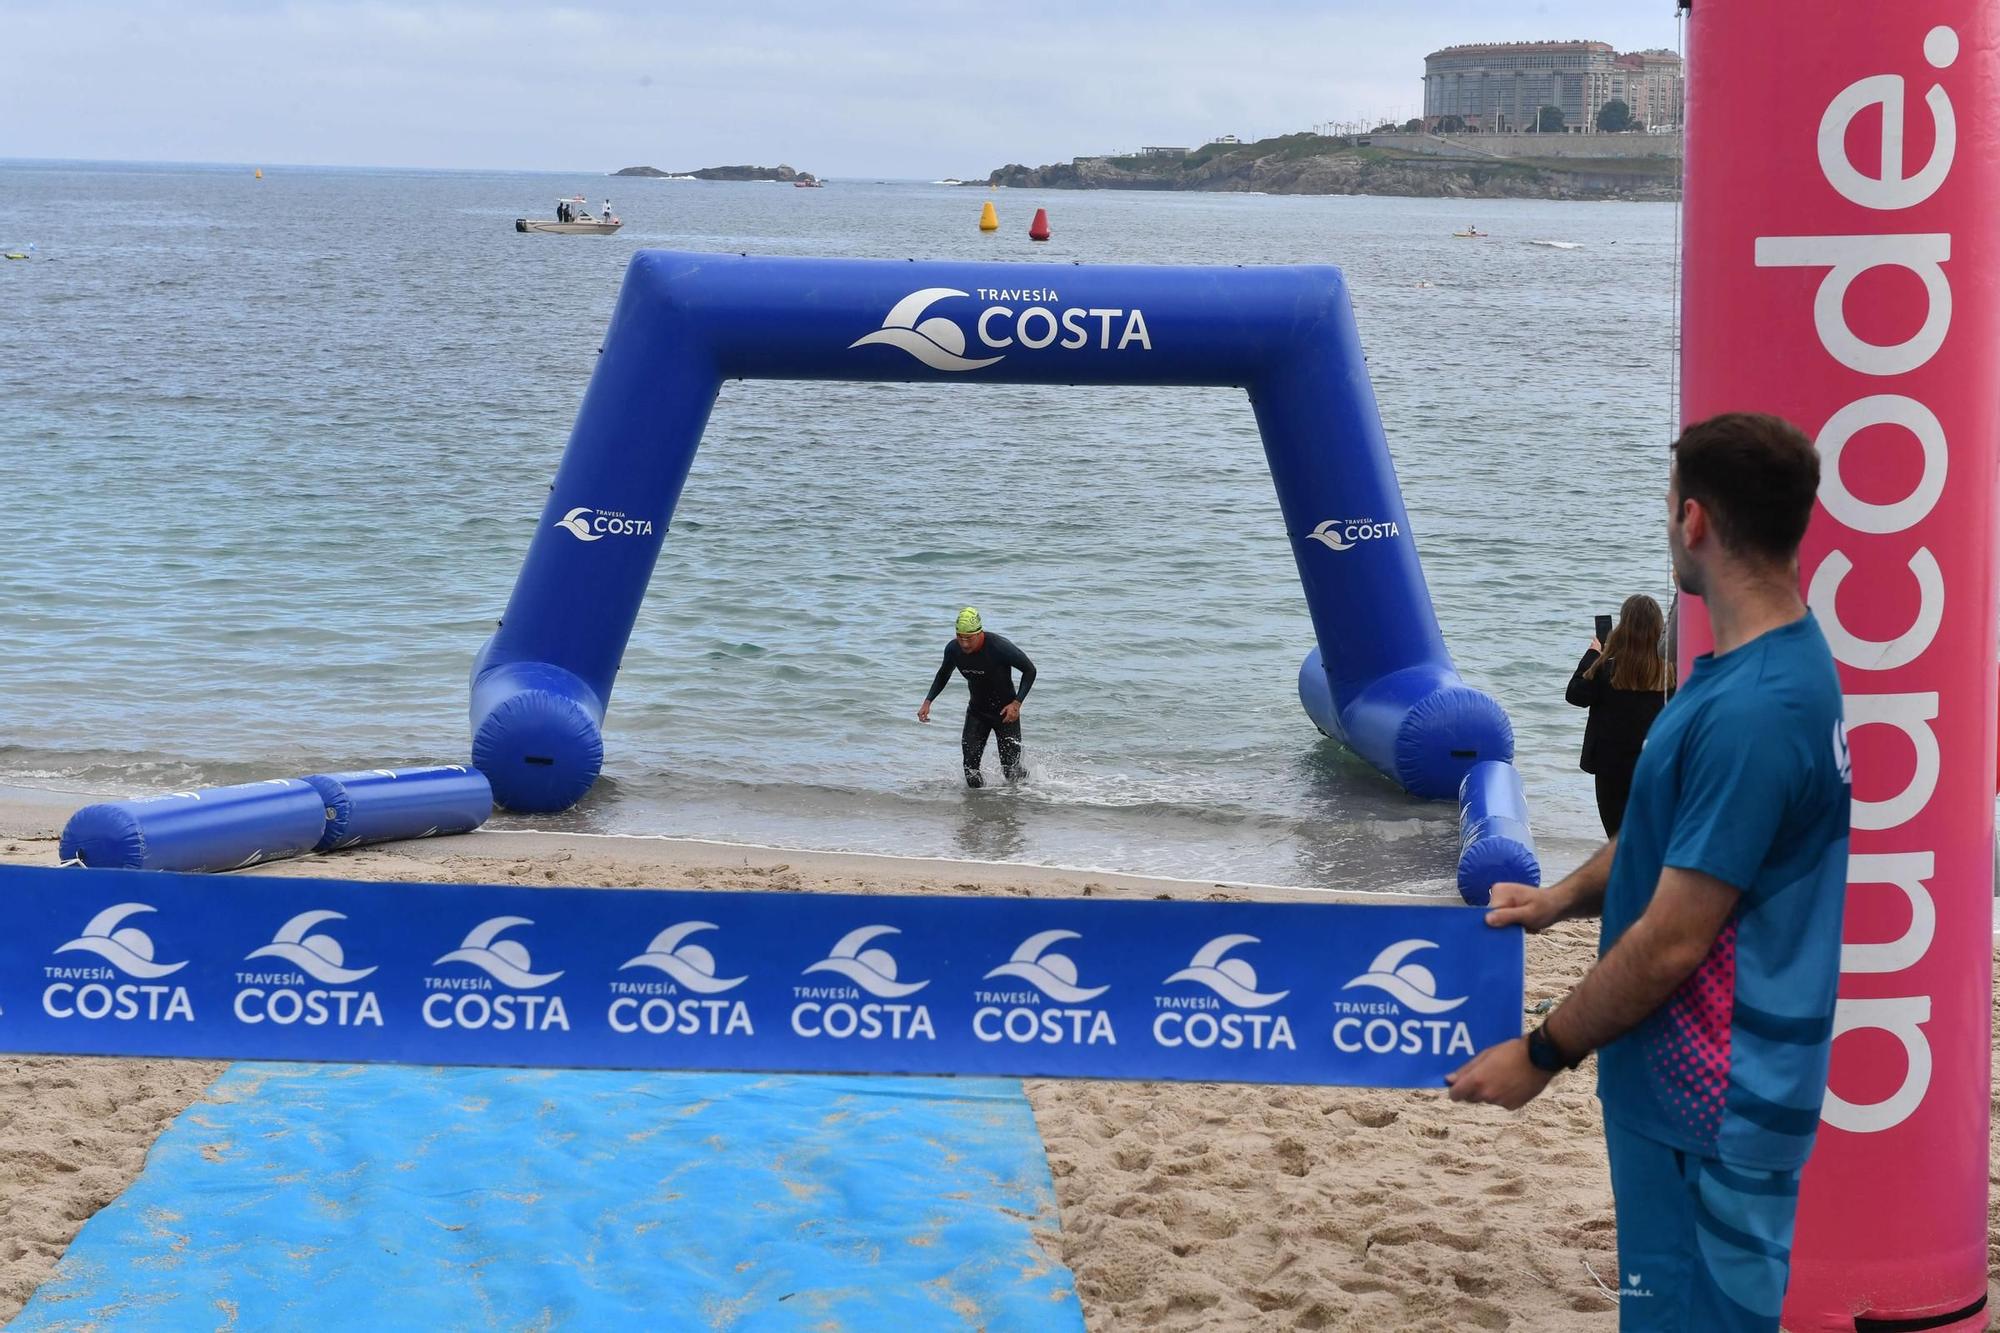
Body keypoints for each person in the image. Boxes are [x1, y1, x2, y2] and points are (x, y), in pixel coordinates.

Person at [1448, 413, 1851, 1332]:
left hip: (1713, 1099)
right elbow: (1665, 835)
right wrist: (1559, 900)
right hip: (1678, 1097)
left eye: (1669, 506)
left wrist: (1540, 1051)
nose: (1667, 524)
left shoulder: (1757, 707)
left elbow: (1673, 938)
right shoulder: (1757, 665)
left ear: (1696, 520)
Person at [1566, 593, 1668, 836]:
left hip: (1610, 768)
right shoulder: (1669, 673)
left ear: (1623, 627)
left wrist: (1593, 654)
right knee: (1649, 837)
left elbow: (1575, 695)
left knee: (1616, 839)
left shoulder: (1605, 668)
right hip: (1654, 765)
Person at [916, 607, 1036, 788]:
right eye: (960, 636)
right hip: (977, 712)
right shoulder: (953, 649)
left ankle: (1029, 797)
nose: (964, 643)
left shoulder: (999, 647)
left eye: (968, 638)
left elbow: (1030, 670)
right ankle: (977, 810)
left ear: (979, 633)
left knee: (1011, 771)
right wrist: (928, 701)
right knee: (970, 770)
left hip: (1005, 714)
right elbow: (943, 674)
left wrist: (1016, 703)